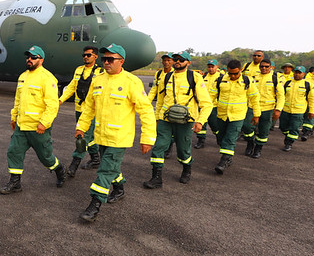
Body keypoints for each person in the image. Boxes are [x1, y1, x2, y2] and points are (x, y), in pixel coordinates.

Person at [75, 44, 156, 222]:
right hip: (101, 135)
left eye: (110, 59)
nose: (106, 62)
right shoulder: (98, 80)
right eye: (104, 59)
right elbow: (88, 107)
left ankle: (94, 205)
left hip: (120, 137)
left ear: (121, 61)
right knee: (112, 168)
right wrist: (81, 126)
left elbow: (146, 110)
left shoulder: (131, 82)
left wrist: (148, 138)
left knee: (104, 171)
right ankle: (119, 189)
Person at [0, 45, 65, 194]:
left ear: (41, 60)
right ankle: (15, 183)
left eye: (33, 57)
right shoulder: (23, 76)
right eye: (28, 56)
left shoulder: (47, 78)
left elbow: (52, 105)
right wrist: (13, 117)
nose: (29, 59)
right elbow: (18, 100)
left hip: (38, 128)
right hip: (21, 126)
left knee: (46, 158)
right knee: (13, 152)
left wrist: (44, 123)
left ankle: (60, 169)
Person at [143, 51, 212, 188]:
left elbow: (207, 103)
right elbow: (161, 99)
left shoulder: (195, 77)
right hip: (166, 119)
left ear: (189, 62)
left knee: (183, 150)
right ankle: (156, 178)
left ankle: (187, 169)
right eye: (175, 59)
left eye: (181, 59)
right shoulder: (167, 77)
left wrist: (200, 121)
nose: (177, 61)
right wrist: (157, 118)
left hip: (186, 121)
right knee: (159, 147)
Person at [59, 46, 104, 176]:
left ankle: (74, 165)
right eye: (84, 55)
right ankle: (95, 159)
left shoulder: (101, 72)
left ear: (95, 56)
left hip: (91, 111)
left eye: (88, 55)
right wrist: (60, 100)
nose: (85, 57)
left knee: (82, 137)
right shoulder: (79, 70)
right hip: (79, 109)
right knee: (89, 137)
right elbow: (72, 86)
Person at [211, 60, 260, 173]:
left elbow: (254, 98)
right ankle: (228, 157)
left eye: (235, 73)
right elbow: (211, 96)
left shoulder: (247, 81)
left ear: (241, 70)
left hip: (238, 116)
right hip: (222, 115)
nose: (233, 76)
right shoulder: (220, 80)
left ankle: (223, 161)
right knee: (221, 137)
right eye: (230, 73)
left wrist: (256, 114)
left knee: (230, 138)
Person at [242, 58, 284, 158]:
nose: (264, 68)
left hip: (268, 109)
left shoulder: (275, 79)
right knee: (247, 127)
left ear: (271, 67)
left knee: (264, 130)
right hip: (252, 107)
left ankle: (258, 148)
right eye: (262, 66)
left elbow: (281, 96)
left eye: (266, 66)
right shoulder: (252, 78)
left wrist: (278, 109)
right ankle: (250, 143)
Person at [279, 66, 314, 152]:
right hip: (286, 110)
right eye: (296, 72)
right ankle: (288, 136)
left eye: (299, 73)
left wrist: (311, 111)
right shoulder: (287, 83)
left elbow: (312, 99)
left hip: (298, 111)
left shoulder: (307, 85)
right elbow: (281, 96)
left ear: (303, 74)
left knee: (294, 128)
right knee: (282, 127)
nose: (297, 74)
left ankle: (289, 143)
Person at [194, 59, 223, 149]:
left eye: (212, 67)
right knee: (201, 124)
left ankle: (219, 139)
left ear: (217, 67)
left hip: (214, 106)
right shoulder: (204, 76)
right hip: (202, 106)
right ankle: (201, 140)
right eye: (209, 67)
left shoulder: (221, 78)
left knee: (215, 126)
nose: (210, 69)